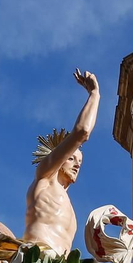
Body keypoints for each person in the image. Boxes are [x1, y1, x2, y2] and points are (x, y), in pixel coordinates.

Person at [22, 69, 99, 253]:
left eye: (80, 160)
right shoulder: (44, 177)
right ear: (59, 158)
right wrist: (95, 94)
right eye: (71, 158)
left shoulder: (69, 207)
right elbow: (82, 132)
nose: (77, 164)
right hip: (36, 261)